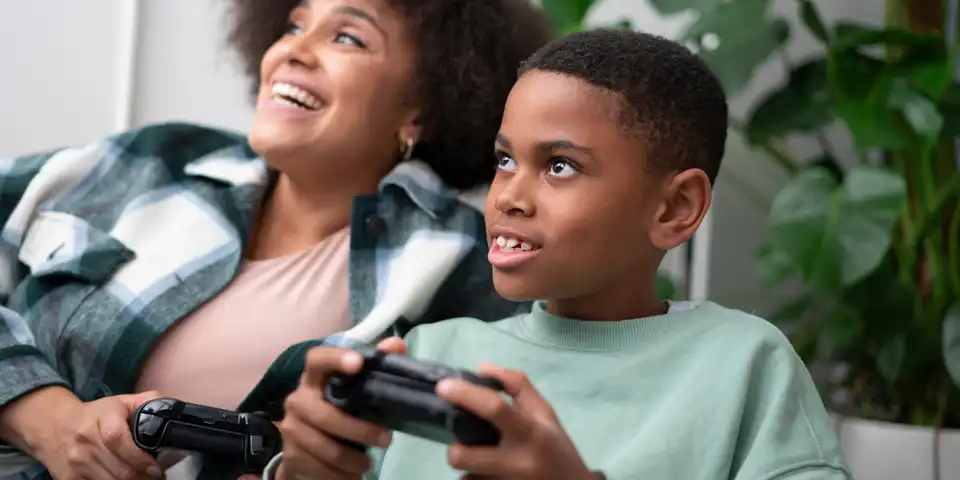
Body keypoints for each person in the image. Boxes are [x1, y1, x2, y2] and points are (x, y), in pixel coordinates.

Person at [0, 0, 552, 478]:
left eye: (347, 37)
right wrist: (46, 418)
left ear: (421, 108)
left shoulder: (466, 267)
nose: (294, 51)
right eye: (293, 25)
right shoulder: (151, 160)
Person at [269, 29, 851, 480]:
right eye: (503, 161)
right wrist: (301, 468)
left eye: (559, 166)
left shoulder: (745, 363)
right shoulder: (433, 352)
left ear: (675, 208)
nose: (510, 197)